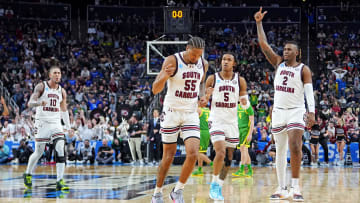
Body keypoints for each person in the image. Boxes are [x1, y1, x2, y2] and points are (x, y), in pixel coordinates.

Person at [255, 7, 316, 201]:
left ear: (297, 53)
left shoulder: (303, 69)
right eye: (285, 49)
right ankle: (281, 187)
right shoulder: (278, 63)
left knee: (295, 146)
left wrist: (312, 113)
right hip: (278, 112)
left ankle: (296, 187)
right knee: (279, 150)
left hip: (296, 111)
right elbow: (264, 45)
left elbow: (308, 93)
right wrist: (258, 23)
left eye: (290, 49)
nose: (285, 51)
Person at [151, 37, 208, 203]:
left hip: (190, 112)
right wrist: (163, 77)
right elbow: (155, 89)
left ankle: (178, 191)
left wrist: (202, 95)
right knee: (168, 156)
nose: (195, 58)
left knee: (192, 153)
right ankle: (157, 192)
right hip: (171, 112)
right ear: (187, 48)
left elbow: (202, 81)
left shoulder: (203, 64)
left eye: (199, 55)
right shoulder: (172, 60)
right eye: (193, 55)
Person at [204, 53, 249, 200]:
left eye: (229, 59)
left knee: (229, 158)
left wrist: (245, 102)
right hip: (216, 119)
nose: (226, 62)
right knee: (221, 152)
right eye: (223, 59)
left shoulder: (240, 81)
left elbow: (245, 102)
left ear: (234, 63)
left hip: (232, 122)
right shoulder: (212, 78)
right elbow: (204, 100)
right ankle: (213, 184)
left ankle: (219, 185)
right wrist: (207, 96)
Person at [23, 63, 71, 191]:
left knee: (61, 149)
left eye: (59, 73)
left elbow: (64, 109)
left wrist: (69, 127)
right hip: (42, 123)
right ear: (50, 75)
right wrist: (39, 102)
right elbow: (30, 103)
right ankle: (28, 173)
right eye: (55, 73)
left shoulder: (62, 91)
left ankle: (60, 180)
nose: (57, 75)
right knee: (38, 152)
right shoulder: (41, 86)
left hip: (56, 123)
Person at [232, 104, 254, 177]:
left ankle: (241, 170)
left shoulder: (248, 107)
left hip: (246, 130)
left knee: (244, 149)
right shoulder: (237, 107)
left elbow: (252, 121)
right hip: (239, 130)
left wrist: (250, 134)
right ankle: (250, 170)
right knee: (243, 150)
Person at [191, 106, 213, 176]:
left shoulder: (198, 110)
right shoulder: (208, 110)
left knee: (196, 152)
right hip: (207, 132)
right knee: (201, 152)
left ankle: (212, 164)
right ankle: (200, 170)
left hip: (201, 132)